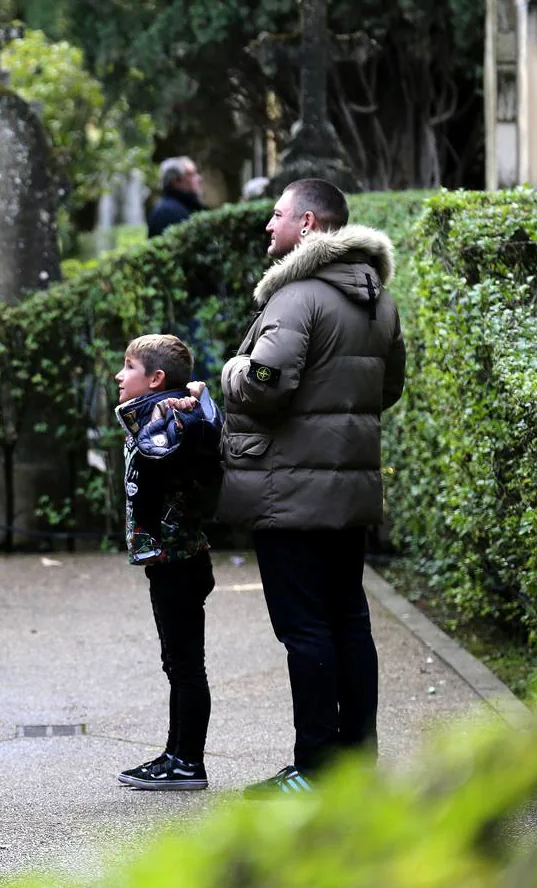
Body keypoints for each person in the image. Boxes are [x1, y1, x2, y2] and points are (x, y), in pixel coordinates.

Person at [217, 178, 406, 797]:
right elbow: (389, 388)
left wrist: (231, 371)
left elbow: (266, 383)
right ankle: (357, 763)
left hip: (290, 494)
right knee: (349, 620)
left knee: (304, 629)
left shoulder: (298, 296)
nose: (267, 226)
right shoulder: (379, 300)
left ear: (308, 226)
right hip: (347, 493)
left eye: (277, 216)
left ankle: (316, 768)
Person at [112, 335, 223, 790]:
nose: (119, 375)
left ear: (155, 378)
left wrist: (186, 401)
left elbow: (169, 455)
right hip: (174, 559)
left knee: (185, 664)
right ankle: (175, 755)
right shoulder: (168, 413)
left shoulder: (170, 419)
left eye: (129, 366)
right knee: (177, 663)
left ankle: (188, 762)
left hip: (179, 559)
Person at [147, 156, 206, 238]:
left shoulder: (188, 206)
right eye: (191, 174)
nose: (199, 178)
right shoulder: (166, 212)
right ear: (176, 181)